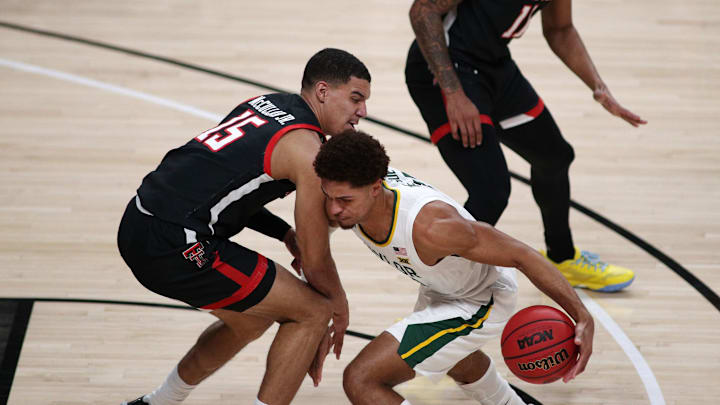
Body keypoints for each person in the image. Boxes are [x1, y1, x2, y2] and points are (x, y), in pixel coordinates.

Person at [117, 48, 371, 405]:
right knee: (313, 311)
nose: (363, 111)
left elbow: (222, 184)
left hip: (139, 218)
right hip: (176, 243)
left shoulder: (265, 103)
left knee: (249, 320)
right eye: (356, 98)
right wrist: (339, 306)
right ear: (324, 92)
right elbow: (315, 261)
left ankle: (157, 403)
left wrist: (283, 233)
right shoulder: (307, 152)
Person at [313, 131, 594, 405]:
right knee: (454, 358)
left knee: (361, 379)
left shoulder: (434, 228)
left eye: (345, 201)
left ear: (376, 187)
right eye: (330, 197)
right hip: (442, 286)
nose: (334, 209)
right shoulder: (353, 180)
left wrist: (581, 315)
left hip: (482, 298)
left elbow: (523, 255)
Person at [404, 0, 647, 292]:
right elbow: (422, 10)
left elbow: (560, 29)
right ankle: (439, 288)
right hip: (443, 70)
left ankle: (562, 257)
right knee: (490, 191)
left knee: (554, 157)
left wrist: (598, 86)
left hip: (493, 65)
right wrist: (453, 93)